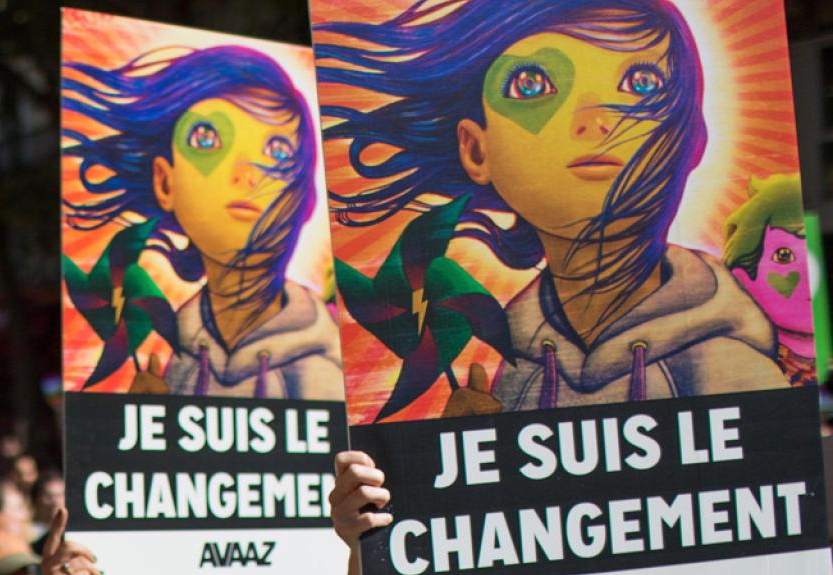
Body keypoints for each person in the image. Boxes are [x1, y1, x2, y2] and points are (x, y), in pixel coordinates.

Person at [319, 0, 786, 410]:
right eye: (531, 84)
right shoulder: (519, 363)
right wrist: (451, 463)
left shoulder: (727, 367)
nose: (595, 118)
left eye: (641, 83)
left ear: (691, 137)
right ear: (476, 150)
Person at [63, 44, 342, 399]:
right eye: (207, 139)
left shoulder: (329, 363)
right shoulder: (180, 350)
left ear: (306, 197)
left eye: (278, 152)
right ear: (165, 182)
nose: (246, 173)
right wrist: (146, 420)